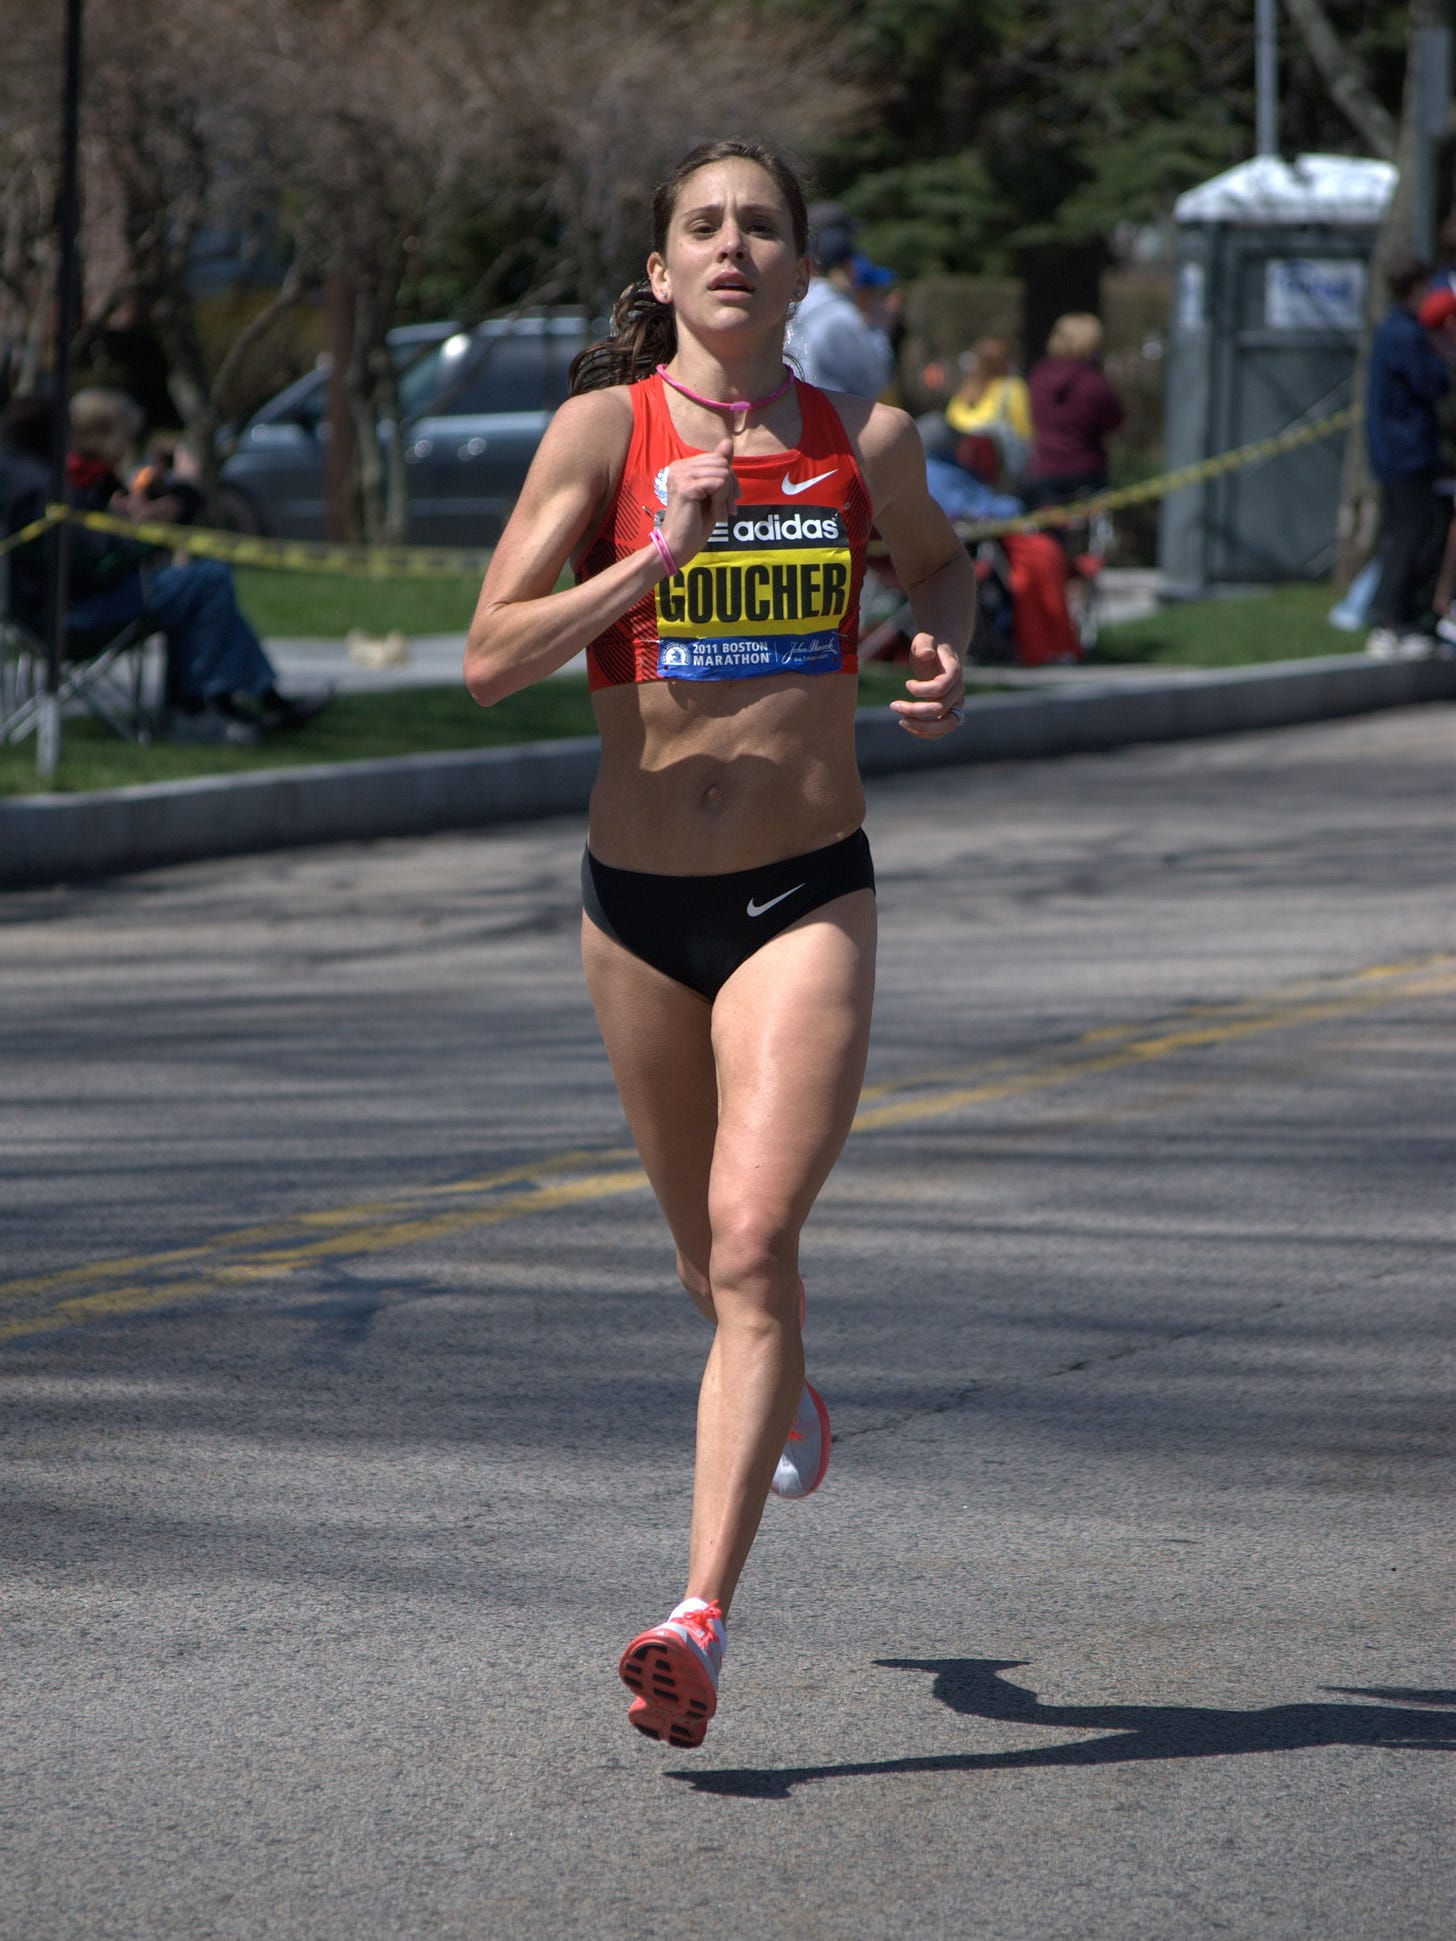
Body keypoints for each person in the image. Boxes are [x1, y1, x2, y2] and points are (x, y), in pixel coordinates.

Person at [463, 138, 976, 1751]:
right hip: (637, 911)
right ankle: (781, 1384)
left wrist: (941, 648)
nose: (733, 246)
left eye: (762, 226)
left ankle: (696, 1617)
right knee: (705, 1263)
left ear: (802, 269)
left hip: (804, 891)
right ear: (663, 267)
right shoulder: (601, 433)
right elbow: (488, 658)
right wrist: (655, 557)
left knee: (754, 1248)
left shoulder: (862, 439)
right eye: (704, 225)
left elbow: (941, 564)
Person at [2, 389, 329, 742]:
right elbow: (97, 555)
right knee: (206, 580)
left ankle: (241, 699)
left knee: (196, 583)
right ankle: (197, 707)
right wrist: (151, 534)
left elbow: (86, 545)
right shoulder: (42, 487)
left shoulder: (20, 474)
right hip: (70, 616)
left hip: (44, 609)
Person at [1361, 262, 1453, 659]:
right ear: (1415, 288)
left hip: (1401, 451)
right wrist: (1444, 353)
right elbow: (1432, 382)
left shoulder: (1393, 330)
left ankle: (1405, 619)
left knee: (1414, 535)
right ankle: (1392, 620)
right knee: (1410, 538)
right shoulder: (1406, 334)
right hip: (1406, 453)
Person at [784, 201, 896, 400]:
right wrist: (879, 329)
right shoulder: (839, 316)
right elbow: (875, 385)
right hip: (824, 416)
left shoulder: (782, 306)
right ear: (846, 266)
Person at [1023, 312, 1124, 510]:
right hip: (1086, 470)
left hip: (1043, 468)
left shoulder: (1038, 375)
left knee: (1047, 527)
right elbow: (1115, 419)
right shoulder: (1092, 381)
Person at [943, 337, 1033, 491]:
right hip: (994, 478)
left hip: (965, 473)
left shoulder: (964, 392)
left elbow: (949, 425)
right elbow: (1025, 433)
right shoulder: (1013, 388)